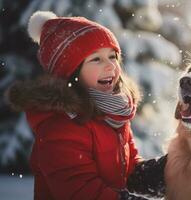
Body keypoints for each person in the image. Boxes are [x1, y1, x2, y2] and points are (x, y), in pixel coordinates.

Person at [6, 11, 166, 200]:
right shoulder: (60, 126)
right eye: (96, 59)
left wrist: (163, 172)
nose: (110, 66)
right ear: (72, 72)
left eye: (113, 56)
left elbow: (128, 170)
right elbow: (81, 191)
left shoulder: (114, 113)